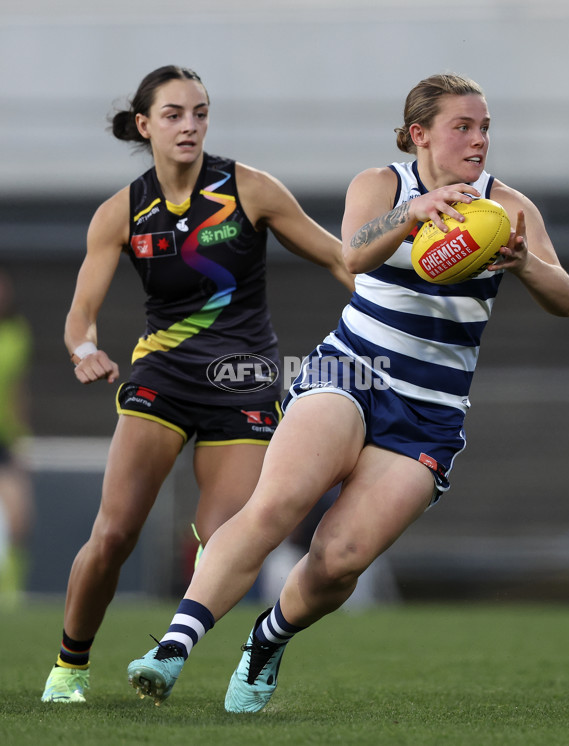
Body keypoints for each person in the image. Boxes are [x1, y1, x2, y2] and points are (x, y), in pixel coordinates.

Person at [126, 72, 569, 711]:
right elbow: (355, 254)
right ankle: (173, 645)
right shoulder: (381, 185)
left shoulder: (509, 208)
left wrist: (525, 260)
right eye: (463, 127)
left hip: (429, 411)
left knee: (340, 558)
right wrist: (409, 214)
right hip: (351, 372)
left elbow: (566, 299)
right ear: (420, 134)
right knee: (278, 503)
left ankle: (267, 641)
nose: (478, 141)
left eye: (484, 129)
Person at [41, 65, 354, 703]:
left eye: (200, 112)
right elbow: (80, 312)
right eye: (175, 114)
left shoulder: (251, 189)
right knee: (115, 533)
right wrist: (84, 350)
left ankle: (170, 649)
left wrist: (389, 311)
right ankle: (69, 667)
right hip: (163, 377)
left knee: (225, 536)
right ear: (144, 125)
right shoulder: (120, 212)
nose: (190, 125)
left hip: (244, 380)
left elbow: (339, 256)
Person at [0, 272, 34, 609]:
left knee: (20, 519)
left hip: (4, 441)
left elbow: (17, 390)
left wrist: (21, 438)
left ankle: (10, 594)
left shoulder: (16, 333)